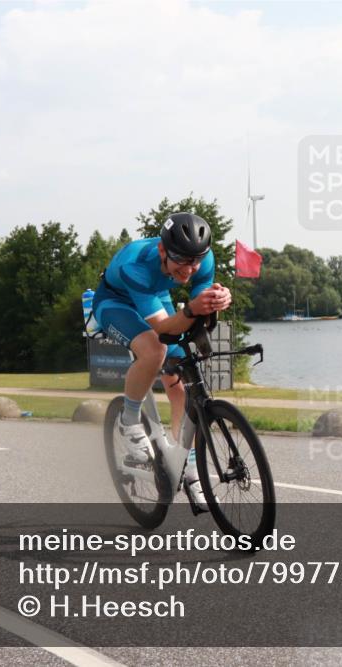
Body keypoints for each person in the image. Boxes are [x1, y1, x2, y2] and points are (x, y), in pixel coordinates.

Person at [92, 212, 231, 511]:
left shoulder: (202, 260)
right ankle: (129, 421)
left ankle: (190, 467)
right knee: (155, 349)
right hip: (116, 301)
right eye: (181, 259)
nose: (190, 268)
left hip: (154, 296)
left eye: (196, 260)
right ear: (162, 251)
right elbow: (164, 328)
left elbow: (197, 310)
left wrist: (216, 301)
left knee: (183, 382)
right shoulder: (136, 265)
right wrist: (193, 309)